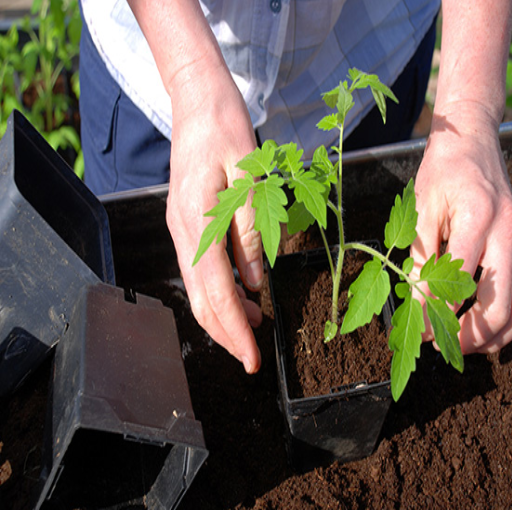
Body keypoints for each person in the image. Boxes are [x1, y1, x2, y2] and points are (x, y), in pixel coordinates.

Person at [79, 0, 512, 374]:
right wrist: (188, 75)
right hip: (158, 58)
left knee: (403, 240)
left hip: (364, 43)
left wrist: (469, 110)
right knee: (137, 303)